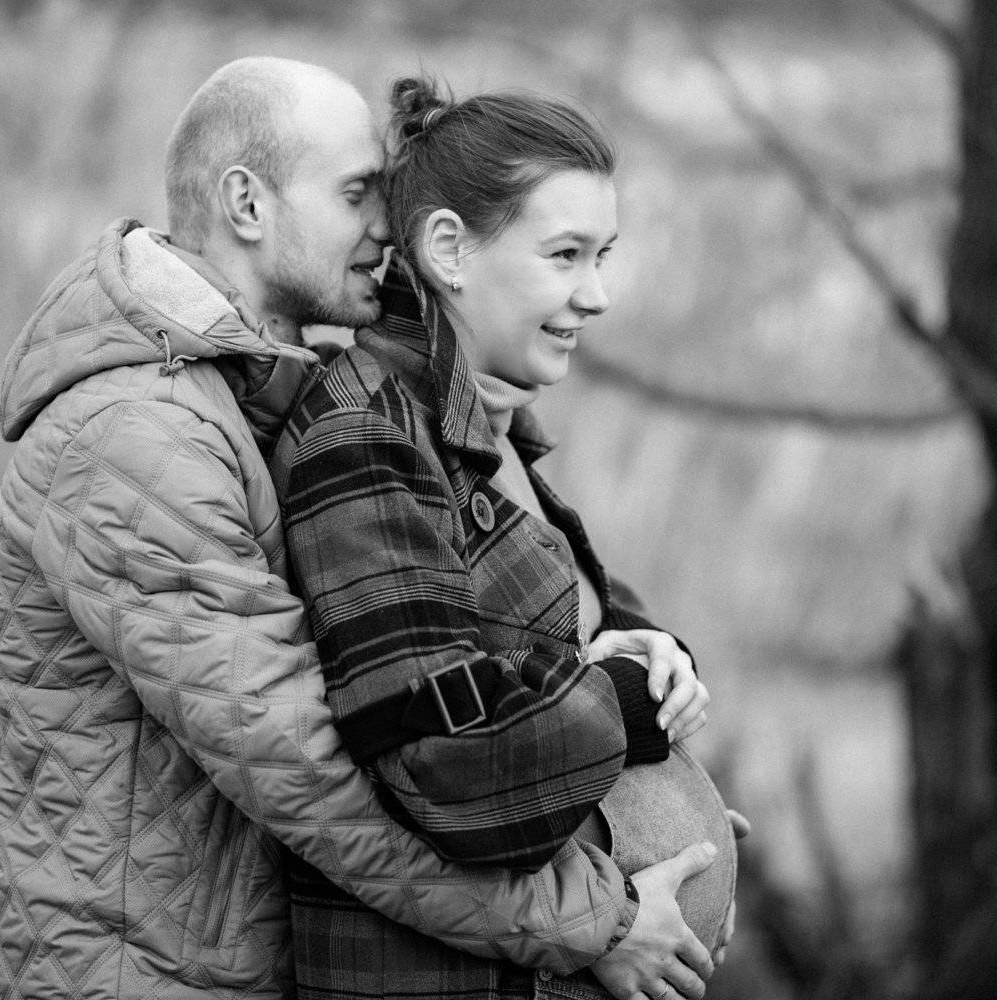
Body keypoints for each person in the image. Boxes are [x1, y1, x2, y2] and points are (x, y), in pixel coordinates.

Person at [0, 56, 720, 1000]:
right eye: (356, 193)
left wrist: (647, 802)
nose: (386, 225)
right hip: (140, 977)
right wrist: (598, 917)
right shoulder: (136, 440)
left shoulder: (260, 391)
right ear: (248, 204)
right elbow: (319, 780)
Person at [274, 76, 740, 1000]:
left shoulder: (488, 426)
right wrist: (630, 703)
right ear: (449, 248)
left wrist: (654, 653)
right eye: (565, 255)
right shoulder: (366, 433)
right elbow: (445, 756)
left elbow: (552, 625)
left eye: (603, 256)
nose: (596, 295)